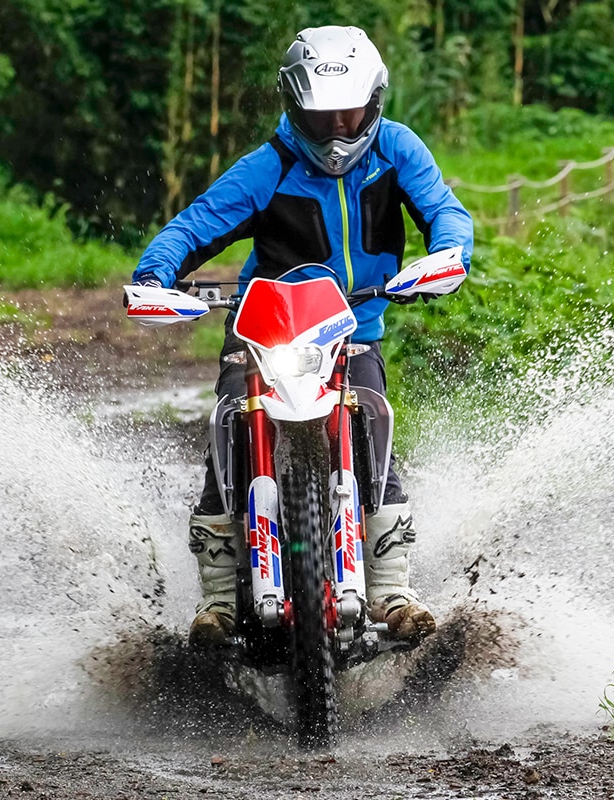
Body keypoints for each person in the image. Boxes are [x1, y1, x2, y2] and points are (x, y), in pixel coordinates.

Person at [131, 25, 474, 647]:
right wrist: (155, 277)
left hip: (354, 331)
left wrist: (447, 253)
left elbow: (445, 210)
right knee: (229, 427)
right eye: (323, 118)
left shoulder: (398, 149)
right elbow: (194, 226)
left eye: (351, 113)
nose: (340, 131)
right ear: (294, 107)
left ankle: (394, 592)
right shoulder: (267, 167)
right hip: (263, 331)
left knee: (372, 427)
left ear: (375, 102)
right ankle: (217, 603)